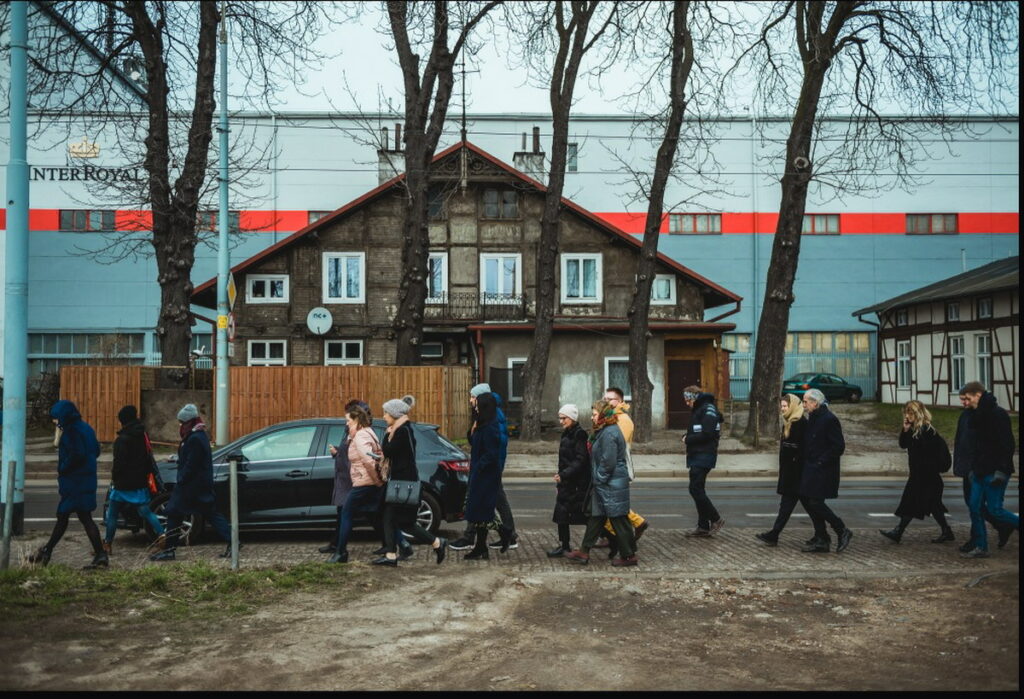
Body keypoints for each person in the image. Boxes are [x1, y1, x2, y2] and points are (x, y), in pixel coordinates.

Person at [149, 404, 234, 562]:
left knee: (176, 513)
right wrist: (177, 459)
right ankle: (233, 542)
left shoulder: (195, 438)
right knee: (208, 514)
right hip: (197, 485)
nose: (180, 425)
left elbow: (192, 463)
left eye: (182, 422)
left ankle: (169, 550)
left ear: (189, 422)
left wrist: (181, 478)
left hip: (191, 486)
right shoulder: (198, 435)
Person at [29, 400, 107, 569]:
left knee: (65, 516)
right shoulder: (86, 428)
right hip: (86, 479)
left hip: (74, 482)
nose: (54, 421)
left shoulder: (71, 431)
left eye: (56, 418)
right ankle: (99, 554)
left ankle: (47, 551)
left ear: (64, 416)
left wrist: (63, 468)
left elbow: (76, 454)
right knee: (83, 517)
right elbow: (96, 450)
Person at [374, 395, 447, 567]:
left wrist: (386, 436)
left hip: (403, 483)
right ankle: (436, 543)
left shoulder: (402, 431)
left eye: (386, 413)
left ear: (394, 414)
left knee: (389, 517)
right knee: (405, 522)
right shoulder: (402, 429)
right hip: (403, 481)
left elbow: (389, 451)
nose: (384, 416)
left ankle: (391, 556)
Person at [564, 400, 637, 566]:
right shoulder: (604, 430)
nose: (592, 417)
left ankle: (629, 555)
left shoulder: (609, 433)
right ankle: (584, 552)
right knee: (596, 517)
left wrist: (599, 478)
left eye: (595, 414)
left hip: (610, 483)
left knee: (619, 519)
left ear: (604, 415)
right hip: (607, 483)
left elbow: (608, 462)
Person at [450, 383, 520, 552]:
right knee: (487, 503)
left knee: (483, 503)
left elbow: (494, 447)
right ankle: (502, 536)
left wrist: (484, 468)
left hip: (489, 470)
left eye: (473, 397)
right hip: (486, 469)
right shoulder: (484, 414)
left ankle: (501, 535)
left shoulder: (493, 416)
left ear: (480, 398)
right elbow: (477, 442)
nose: (470, 400)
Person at [879, 401, 953, 544]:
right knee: (931, 506)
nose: (907, 416)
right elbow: (903, 445)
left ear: (918, 413)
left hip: (927, 478)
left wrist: (925, 470)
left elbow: (928, 455)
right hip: (920, 476)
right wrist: (905, 429)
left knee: (912, 504)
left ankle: (898, 532)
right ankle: (946, 531)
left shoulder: (927, 431)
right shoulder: (914, 430)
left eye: (910, 413)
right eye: (906, 413)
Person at [961, 382, 1019, 558]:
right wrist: (971, 469)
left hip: (996, 471)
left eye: (967, 398)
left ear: (978, 395)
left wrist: (1001, 470)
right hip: (979, 471)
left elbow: (1007, 445)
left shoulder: (998, 414)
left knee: (995, 510)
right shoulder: (973, 415)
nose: (965, 402)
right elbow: (973, 445)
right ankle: (981, 546)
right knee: (975, 507)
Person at [103, 405, 166, 556]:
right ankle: (163, 535)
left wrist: (115, 478)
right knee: (146, 511)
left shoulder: (122, 440)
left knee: (112, 513)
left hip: (122, 484)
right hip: (139, 482)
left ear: (122, 421)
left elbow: (118, 464)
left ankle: (107, 544)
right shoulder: (142, 436)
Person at [327, 403, 386, 563]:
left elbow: (368, 460)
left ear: (357, 419)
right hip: (366, 481)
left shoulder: (361, 436)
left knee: (346, 513)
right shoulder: (364, 433)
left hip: (364, 482)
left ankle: (341, 553)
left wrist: (376, 481)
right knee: (379, 514)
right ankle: (399, 546)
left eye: (348, 420)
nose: (346, 423)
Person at [798, 389, 853, 553]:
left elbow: (838, 446)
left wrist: (821, 461)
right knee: (809, 501)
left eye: (806, 401)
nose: (804, 405)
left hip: (823, 470)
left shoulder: (829, 419)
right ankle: (822, 538)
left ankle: (841, 529)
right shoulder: (814, 417)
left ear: (815, 403)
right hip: (812, 468)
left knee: (815, 502)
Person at [596, 387, 649, 556]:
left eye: (610, 398)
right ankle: (612, 534)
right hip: (612, 467)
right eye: (604, 398)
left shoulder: (623, 420)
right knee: (611, 504)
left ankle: (633, 526)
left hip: (618, 468)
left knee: (614, 505)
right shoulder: (611, 418)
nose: (606, 401)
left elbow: (615, 445)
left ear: (619, 401)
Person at [463, 391, 511, 559]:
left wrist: (479, 468)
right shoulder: (482, 424)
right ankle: (481, 546)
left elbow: (491, 453)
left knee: (482, 512)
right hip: (479, 474)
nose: (475, 407)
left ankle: (505, 533)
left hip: (486, 476)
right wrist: (472, 431)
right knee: (478, 512)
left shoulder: (491, 427)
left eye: (477, 405)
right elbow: (474, 443)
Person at [756, 394, 806, 546]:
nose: (783, 409)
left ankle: (833, 530)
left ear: (793, 406)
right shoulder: (788, 422)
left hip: (796, 473)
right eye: (782, 406)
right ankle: (774, 534)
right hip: (790, 472)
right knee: (789, 506)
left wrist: (791, 461)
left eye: (785, 406)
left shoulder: (799, 422)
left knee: (811, 507)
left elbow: (800, 448)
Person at [547, 404, 591, 557]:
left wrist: (564, 474)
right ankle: (564, 546)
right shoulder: (566, 433)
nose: (561, 421)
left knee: (584, 516)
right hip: (566, 481)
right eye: (560, 418)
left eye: (564, 418)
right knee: (562, 514)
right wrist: (561, 476)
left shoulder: (579, 434)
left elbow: (580, 460)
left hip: (576, 483)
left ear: (572, 418)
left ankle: (610, 540)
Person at [681, 386, 725, 537]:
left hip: (704, 454)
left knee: (695, 489)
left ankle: (716, 519)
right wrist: (688, 435)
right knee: (698, 489)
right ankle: (703, 526)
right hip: (698, 454)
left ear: (694, 398)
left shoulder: (707, 409)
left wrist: (688, 439)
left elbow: (707, 433)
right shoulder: (702, 408)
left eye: (688, 400)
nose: (687, 403)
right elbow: (698, 430)